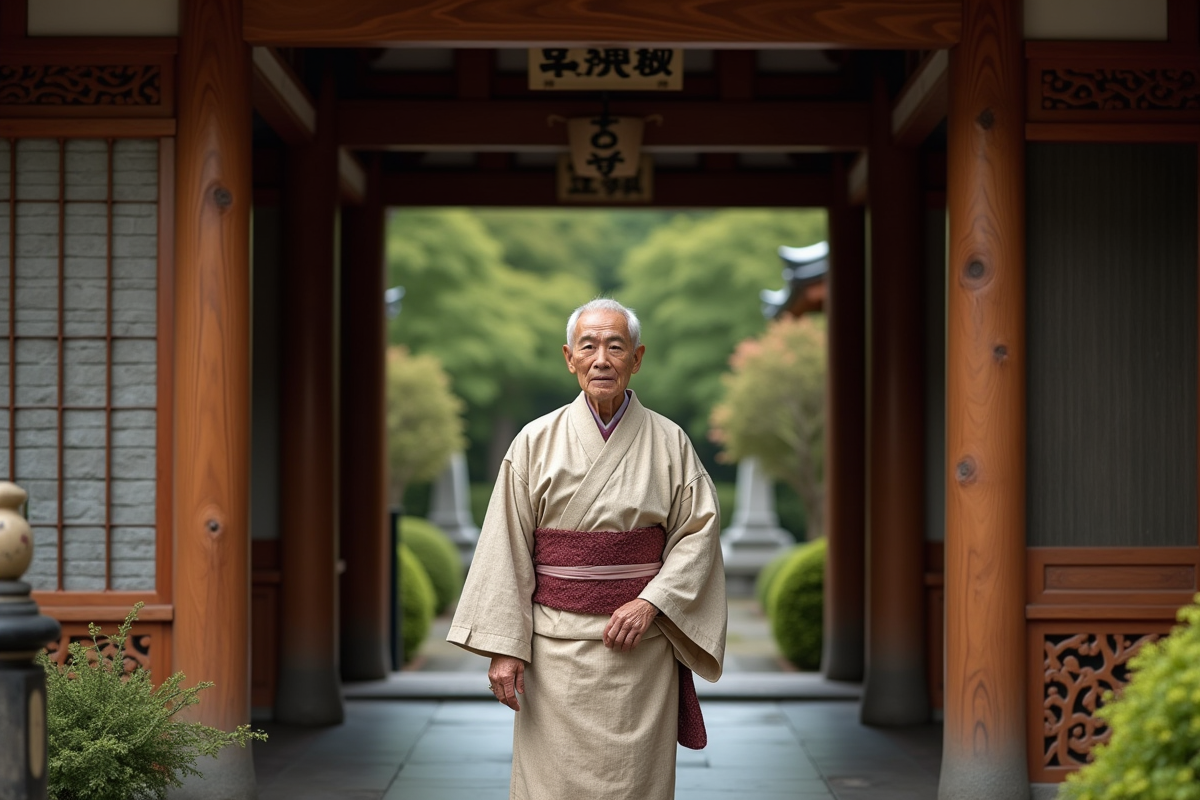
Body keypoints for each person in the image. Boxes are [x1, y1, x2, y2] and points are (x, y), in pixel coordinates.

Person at [448, 298, 727, 800]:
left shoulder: (670, 442)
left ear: (636, 358)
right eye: (589, 346)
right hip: (554, 652)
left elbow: (699, 534)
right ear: (569, 357)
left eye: (615, 347)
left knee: (636, 784)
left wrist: (652, 602)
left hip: (640, 651)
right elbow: (505, 545)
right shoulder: (534, 441)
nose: (601, 359)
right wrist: (503, 648)